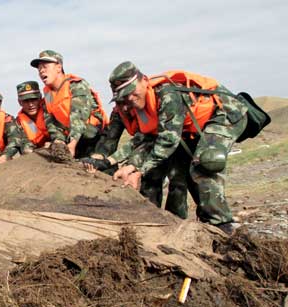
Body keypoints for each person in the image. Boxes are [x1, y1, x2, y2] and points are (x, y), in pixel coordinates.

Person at [105, 61, 248, 232]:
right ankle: (169, 221)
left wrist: (139, 171)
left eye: (131, 92)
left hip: (225, 114)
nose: (129, 99)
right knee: (176, 172)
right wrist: (117, 162)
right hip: (190, 128)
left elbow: (168, 141)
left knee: (206, 161)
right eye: (123, 96)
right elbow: (144, 139)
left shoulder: (167, 96)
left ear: (144, 80)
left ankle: (222, 225)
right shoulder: (143, 106)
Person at [30, 50, 109, 158]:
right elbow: (51, 122)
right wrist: (59, 140)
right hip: (74, 141)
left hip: (94, 139)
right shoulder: (48, 96)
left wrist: (72, 145)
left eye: (45, 66)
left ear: (58, 67)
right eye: (39, 69)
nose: (41, 71)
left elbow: (79, 117)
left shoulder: (76, 85)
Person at [15, 81, 50, 148]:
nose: (30, 104)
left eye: (33, 99)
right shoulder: (18, 123)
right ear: (19, 102)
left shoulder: (50, 109)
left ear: (40, 98)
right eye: (26, 101)